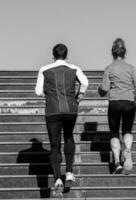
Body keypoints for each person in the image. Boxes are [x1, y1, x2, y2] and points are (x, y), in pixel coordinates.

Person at [35, 43, 88, 193]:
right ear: (66, 55)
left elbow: (38, 92)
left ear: (53, 55)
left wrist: (48, 90)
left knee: (54, 144)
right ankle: (69, 172)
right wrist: (80, 94)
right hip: (71, 109)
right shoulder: (74, 69)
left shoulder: (44, 70)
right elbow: (85, 82)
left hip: (52, 110)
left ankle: (58, 178)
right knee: (69, 136)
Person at [98, 38, 136, 174]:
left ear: (112, 52)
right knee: (127, 130)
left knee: (114, 133)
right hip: (129, 102)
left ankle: (117, 162)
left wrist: (99, 90)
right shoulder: (131, 68)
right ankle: (127, 149)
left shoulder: (109, 68)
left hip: (115, 103)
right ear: (124, 53)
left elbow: (104, 90)